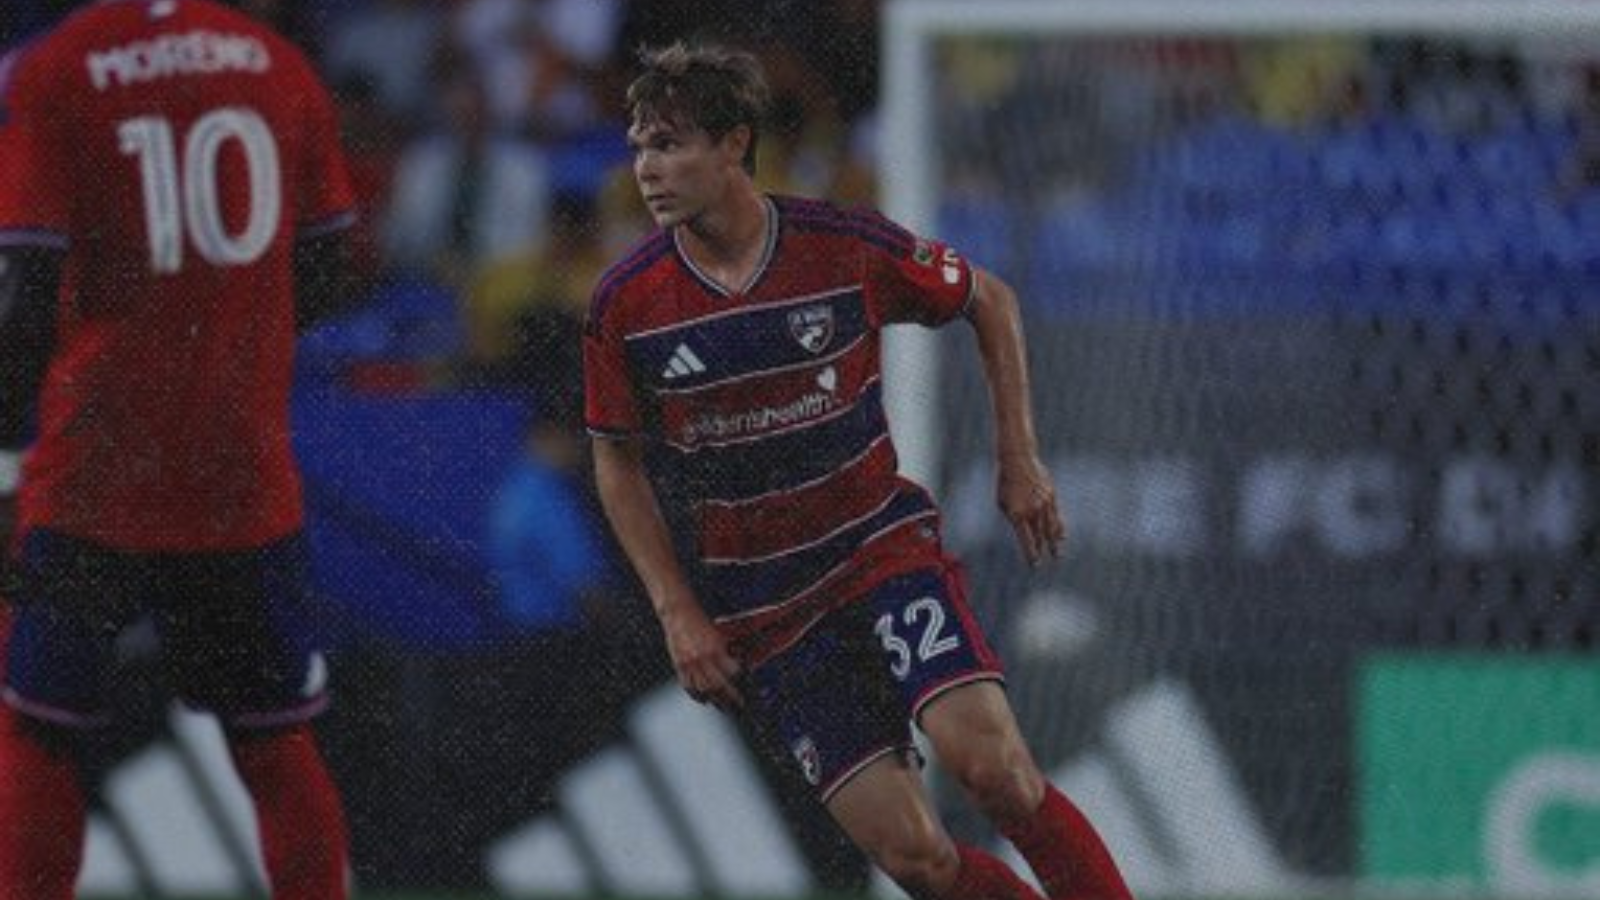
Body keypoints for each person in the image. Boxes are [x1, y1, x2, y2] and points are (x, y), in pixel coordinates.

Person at [583, 41, 1136, 900]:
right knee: (917, 860)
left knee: (995, 773)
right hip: (765, 611)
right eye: (638, 147)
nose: (645, 169)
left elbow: (988, 298)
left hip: (878, 553)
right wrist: (676, 608)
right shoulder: (627, 304)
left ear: (733, 144)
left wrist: (1018, 458)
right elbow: (615, 459)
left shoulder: (840, 246)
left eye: (668, 145)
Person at [0, 1, 358, 898]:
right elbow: (328, 262)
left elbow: (27, 280)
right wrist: (236, 347)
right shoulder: (275, 62)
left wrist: (6, 448)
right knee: (273, 736)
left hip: (97, 464)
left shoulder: (62, 67)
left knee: (41, 725)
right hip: (236, 470)